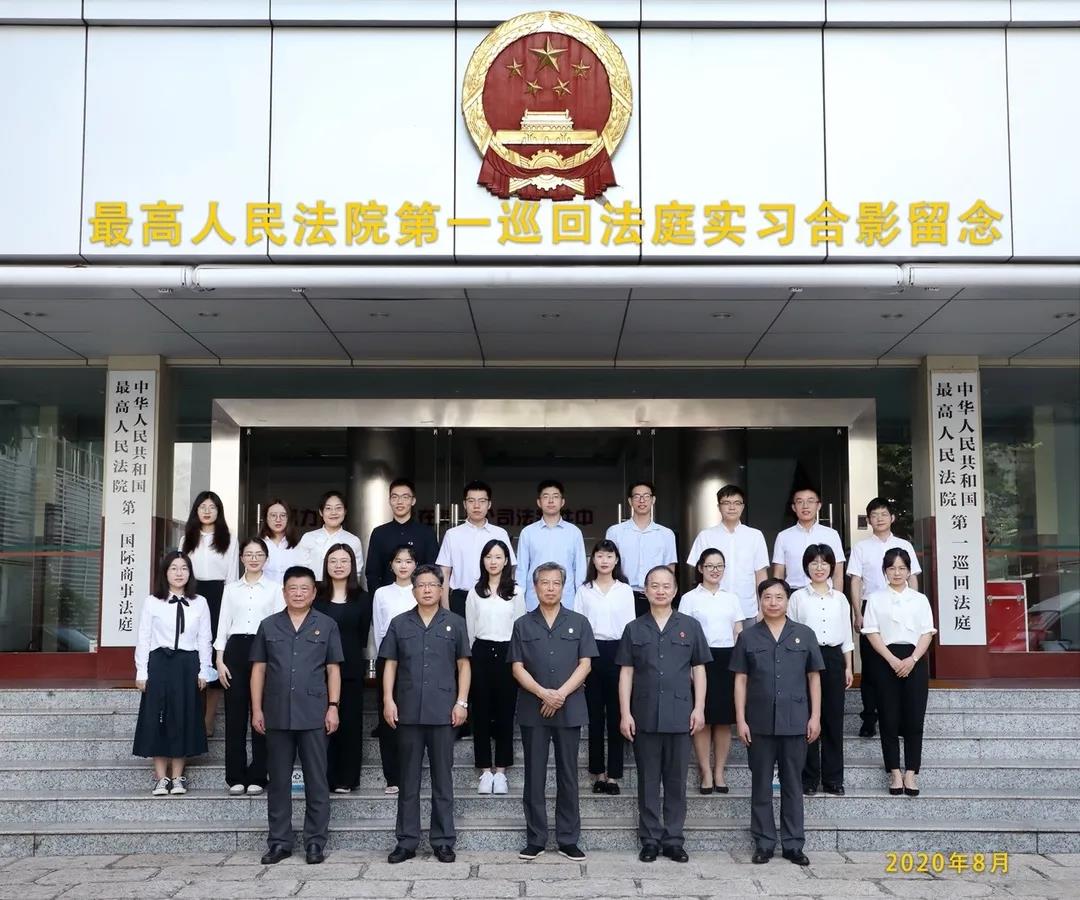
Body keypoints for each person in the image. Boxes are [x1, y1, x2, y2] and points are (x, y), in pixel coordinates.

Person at [616, 566, 710, 863]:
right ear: (645, 591)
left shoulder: (690, 626)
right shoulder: (634, 628)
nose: (660, 591)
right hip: (644, 714)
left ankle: (673, 840)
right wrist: (625, 713)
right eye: (654, 586)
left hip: (680, 713)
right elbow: (626, 672)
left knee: (676, 781)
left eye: (666, 585)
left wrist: (699, 707)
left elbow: (699, 669)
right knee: (647, 780)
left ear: (675, 590)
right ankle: (650, 839)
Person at [251, 565, 343, 866]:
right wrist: (256, 709)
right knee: (278, 781)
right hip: (277, 713)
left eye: (305, 588)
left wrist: (333, 706)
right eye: (293, 588)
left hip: (314, 713)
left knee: (317, 780)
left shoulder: (326, 625)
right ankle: (279, 842)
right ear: (284, 592)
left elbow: (333, 669)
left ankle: (315, 842)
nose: (299, 593)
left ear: (314, 593)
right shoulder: (269, 625)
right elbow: (259, 670)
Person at [381, 564, 471, 864]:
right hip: (407, 711)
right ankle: (406, 841)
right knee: (407, 780)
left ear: (441, 589)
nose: (427, 589)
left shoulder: (455, 623)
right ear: (414, 589)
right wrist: (388, 700)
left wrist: (462, 702)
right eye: (421, 585)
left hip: (443, 711)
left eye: (433, 584)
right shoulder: (399, 623)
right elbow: (390, 664)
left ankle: (443, 841)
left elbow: (464, 665)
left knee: (442, 779)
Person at [731, 578, 824, 867]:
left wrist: (815, 716)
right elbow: (740, 680)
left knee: (793, 783)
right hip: (758, 722)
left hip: (795, 721)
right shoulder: (748, 637)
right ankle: (764, 843)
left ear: (787, 601)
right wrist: (740, 719)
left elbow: (814, 677)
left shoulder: (804, 634)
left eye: (779, 597)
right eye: (767, 597)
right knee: (760, 784)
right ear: (760, 601)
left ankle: (793, 844)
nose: (773, 602)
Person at [509, 562, 597, 861]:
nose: (550, 588)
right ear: (535, 587)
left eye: (556, 583)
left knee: (568, 774)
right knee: (534, 774)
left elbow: (585, 664)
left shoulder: (579, 622)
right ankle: (535, 838)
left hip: (569, 708)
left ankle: (568, 839)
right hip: (533, 708)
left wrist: (559, 694)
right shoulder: (523, 624)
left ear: (564, 586)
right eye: (544, 582)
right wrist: (543, 693)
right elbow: (517, 667)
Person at [133, 551, 215, 796]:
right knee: (157, 717)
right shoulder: (152, 602)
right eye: (174, 568)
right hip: (159, 662)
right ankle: (161, 778)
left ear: (190, 573)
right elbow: (144, 637)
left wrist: (204, 669)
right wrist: (141, 671)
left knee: (183, 716)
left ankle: (178, 777)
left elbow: (205, 638)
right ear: (165, 573)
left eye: (184, 568)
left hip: (187, 663)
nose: (179, 573)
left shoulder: (200, 602)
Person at [861, 547, 936, 798]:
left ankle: (911, 772)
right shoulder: (875, 599)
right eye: (892, 568)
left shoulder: (920, 599)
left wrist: (912, 660)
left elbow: (927, 632)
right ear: (885, 571)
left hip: (915, 660)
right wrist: (892, 659)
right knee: (888, 717)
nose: (897, 573)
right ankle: (894, 771)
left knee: (915, 718)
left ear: (909, 571)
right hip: (885, 660)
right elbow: (872, 632)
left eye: (902, 568)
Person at [848, 497, 922, 738]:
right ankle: (869, 718)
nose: (879, 519)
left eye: (883, 514)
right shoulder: (861, 547)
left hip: (901, 607)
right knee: (871, 668)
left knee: (900, 664)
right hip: (871, 608)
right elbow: (856, 580)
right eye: (874, 515)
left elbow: (913, 577)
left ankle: (899, 720)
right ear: (868, 520)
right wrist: (857, 613)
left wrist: (914, 608)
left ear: (892, 518)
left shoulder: (904, 545)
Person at [215, 537, 283, 795]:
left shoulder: (275, 589)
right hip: (235, 649)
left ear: (266, 558)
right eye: (249, 554)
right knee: (234, 714)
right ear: (241, 558)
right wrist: (219, 659)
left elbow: (280, 626)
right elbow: (223, 624)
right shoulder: (231, 589)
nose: (254, 558)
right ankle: (235, 776)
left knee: (261, 712)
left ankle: (258, 774)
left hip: (265, 649)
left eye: (259, 554)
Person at [788, 544, 853, 796]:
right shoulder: (797, 597)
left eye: (824, 563)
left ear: (831, 566)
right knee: (807, 719)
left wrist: (849, 666)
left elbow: (847, 635)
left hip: (834, 658)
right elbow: (790, 632)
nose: (819, 567)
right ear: (806, 566)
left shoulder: (840, 598)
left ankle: (834, 779)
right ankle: (809, 778)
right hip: (804, 660)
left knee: (833, 719)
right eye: (814, 563)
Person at [678, 548, 743, 794]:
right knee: (702, 719)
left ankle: (719, 772)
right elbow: (683, 634)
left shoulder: (732, 598)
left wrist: (740, 666)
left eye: (719, 566)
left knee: (724, 721)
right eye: (710, 566)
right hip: (699, 661)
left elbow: (738, 632)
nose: (715, 570)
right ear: (700, 568)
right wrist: (687, 666)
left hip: (727, 660)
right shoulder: (689, 598)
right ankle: (705, 771)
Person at [574, 539, 635, 795]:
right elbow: (578, 627)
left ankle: (614, 776)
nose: (604, 560)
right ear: (593, 559)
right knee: (595, 717)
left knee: (617, 716)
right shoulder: (584, 590)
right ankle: (598, 773)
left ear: (616, 560)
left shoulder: (625, 590)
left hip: (619, 652)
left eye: (609, 556)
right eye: (600, 555)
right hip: (592, 653)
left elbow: (630, 628)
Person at [465, 539, 526, 795]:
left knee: (504, 712)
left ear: (506, 561)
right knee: (480, 712)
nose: (493, 561)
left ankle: (500, 771)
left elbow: (520, 627)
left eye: (498, 556)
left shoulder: (516, 591)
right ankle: (484, 770)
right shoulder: (474, 592)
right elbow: (470, 630)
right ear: (483, 560)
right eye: (489, 556)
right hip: (480, 652)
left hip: (507, 652)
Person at [179, 490, 238, 736]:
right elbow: (180, 571)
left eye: (212, 507)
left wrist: (229, 607)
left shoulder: (229, 539)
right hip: (192, 596)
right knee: (193, 653)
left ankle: (208, 718)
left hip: (218, 596)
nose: (207, 511)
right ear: (196, 510)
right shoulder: (186, 539)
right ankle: (192, 716)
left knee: (215, 654)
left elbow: (232, 576)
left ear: (218, 512)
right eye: (202, 506)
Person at [314, 543, 372, 794]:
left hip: (350, 666)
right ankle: (324, 776)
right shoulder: (317, 596)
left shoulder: (363, 598)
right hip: (318, 668)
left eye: (344, 561)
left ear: (353, 565)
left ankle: (347, 778)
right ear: (326, 565)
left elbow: (362, 633)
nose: (338, 566)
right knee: (321, 723)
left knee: (349, 723)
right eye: (333, 561)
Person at [371, 544, 419, 795]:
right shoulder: (381, 593)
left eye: (408, 561)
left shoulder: (421, 590)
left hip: (418, 661)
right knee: (388, 716)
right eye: (398, 561)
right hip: (389, 659)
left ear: (415, 565)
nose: (403, 565)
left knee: (412, 717)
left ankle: (411, 773)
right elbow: (378, 628)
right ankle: (392, 776)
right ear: (391, 565)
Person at [686, 484, 768, 629]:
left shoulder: (755, 536)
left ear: (743, 507)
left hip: (747, 610)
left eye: (737, 503)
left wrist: (763, 608)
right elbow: (697, 575)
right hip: (711, 610)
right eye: (726, 503)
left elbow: (761, 575)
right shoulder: (706, 536)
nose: (732, 507)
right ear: (719, 507)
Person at [437, 480, 515, 618]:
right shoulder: (452, 535)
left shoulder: (500, 534)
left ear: (489, 504)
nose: (477, 506)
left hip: (493, 597)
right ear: (464, 504)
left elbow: (509, 569)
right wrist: (445, 608)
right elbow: (444, 572)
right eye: (471, 501)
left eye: (482, 501)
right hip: (460, 598)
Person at [605, 480, 677, 618]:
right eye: (637, 496)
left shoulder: (666, 534)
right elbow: (607, 566)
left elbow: (670, 569)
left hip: (656, 597)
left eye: (646, 496)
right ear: (630, 501)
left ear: (653, 500)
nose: (642, 500)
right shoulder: (615, 532)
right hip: (622, 595)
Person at [516, 479, 588, 611]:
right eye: (546, 496)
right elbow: (521, 570)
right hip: (534, 601)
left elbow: (580, 571)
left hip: (567, 601)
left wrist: (581, 601)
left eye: (555, 496)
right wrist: (519, 602)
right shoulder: (528, 533)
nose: (550, 501)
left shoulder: (574, 532)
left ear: (562, 502)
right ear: (539, 502)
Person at [365, 478, 438, 595]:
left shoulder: (426, 533)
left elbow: (433, 570)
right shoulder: (379, 533)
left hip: (420, 598)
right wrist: (378, 598)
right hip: (387, 598)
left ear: (413, 501)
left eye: (405, 497)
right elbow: (372, 573)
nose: (399, 502)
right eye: (395, 497)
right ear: (389, 500)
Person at [771, 486, 845, 590]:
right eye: (800, 502)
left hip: (824, 593)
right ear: (794, 507)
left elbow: (838, 574)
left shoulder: (832, 535)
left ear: (818, 506)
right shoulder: (783, 536)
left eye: (810, 501)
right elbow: (778, 573)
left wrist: (838, 598)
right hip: (793, 592)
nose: (805, 506)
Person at [296, 490, 364, 577]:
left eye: (338, 508)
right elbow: (299, 570)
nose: (333, 512)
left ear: (345, 511)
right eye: (328, 508)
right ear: (321, 512)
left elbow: (356, 573)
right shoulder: (308, 537)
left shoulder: (353, 540)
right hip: (314, 585)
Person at [259, 498, 300, 584]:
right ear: (266, 518)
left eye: (283, 515)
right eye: (273, 515)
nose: (278, 519)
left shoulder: (299, 547)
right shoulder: (258, 545)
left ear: (288, 518)